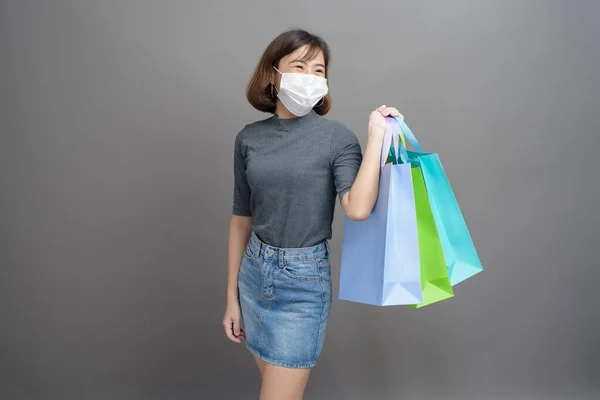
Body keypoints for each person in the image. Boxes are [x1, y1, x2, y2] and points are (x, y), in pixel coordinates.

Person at [222, 29, 403, 400]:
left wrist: (375, 138)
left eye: (318, 70)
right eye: (299, 66)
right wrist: (230, 298)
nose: (309, 77)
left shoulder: (336, 138)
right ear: (273, 74)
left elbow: (357, 207)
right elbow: (242, 218)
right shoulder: (248, 139)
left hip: (302, 284)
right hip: (254, 276)